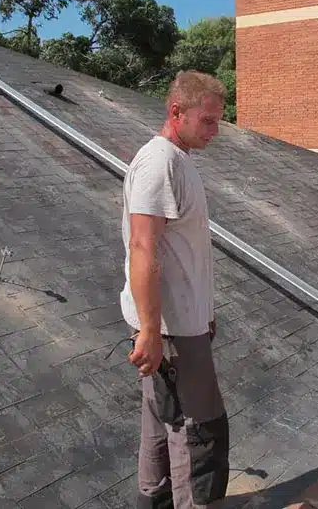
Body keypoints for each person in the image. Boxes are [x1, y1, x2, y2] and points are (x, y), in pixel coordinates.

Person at [120, 70, 229, 508]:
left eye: (218, 121)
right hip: (171, 329)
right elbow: (142, 246)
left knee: (160, 420)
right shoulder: (159, 162)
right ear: (176, 112)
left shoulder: (178, 161)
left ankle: (153, 500)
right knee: (199, 430)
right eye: (207, 121)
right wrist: (150, 329)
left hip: (184, 322)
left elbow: (182, 250)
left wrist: (204, 313)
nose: (215, 131)